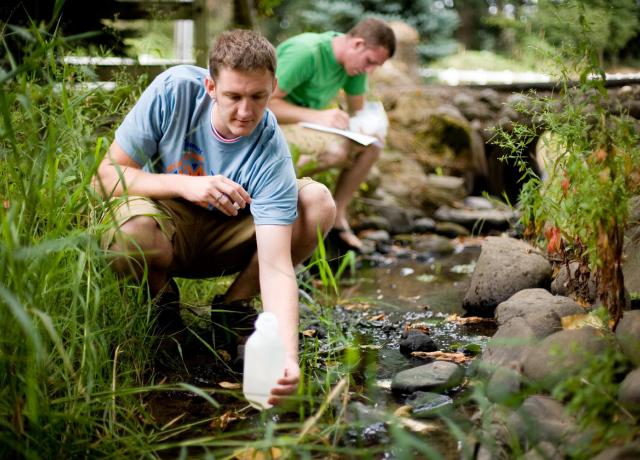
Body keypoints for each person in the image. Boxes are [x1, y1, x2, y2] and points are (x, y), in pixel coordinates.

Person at [93, 29, 336, 405]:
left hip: (231, 230)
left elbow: (276, 267)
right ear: (210, 86)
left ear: (273, 86)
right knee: (131, 235)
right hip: (168, 218)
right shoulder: (174, 91)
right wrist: (185, 186)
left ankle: (232, 309)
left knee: (317, 202)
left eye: (258, 97)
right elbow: (105, 178)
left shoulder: (270, 149)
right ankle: (162, 309)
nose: (245, 112)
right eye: (233, 96)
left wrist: (287, 355)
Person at [269, 18, 395, 251]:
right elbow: (262, 104)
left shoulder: (354, 66)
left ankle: (337, 215)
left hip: (304, 127)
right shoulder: (306, 53)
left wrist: (369, 125)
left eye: (375, 66)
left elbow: (358, 110)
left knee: (374, 144)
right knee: (336, 150)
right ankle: (276, 201)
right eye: (369, 62)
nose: (370, 70)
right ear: (357, 44)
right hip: (270, 127)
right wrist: (317, 116)